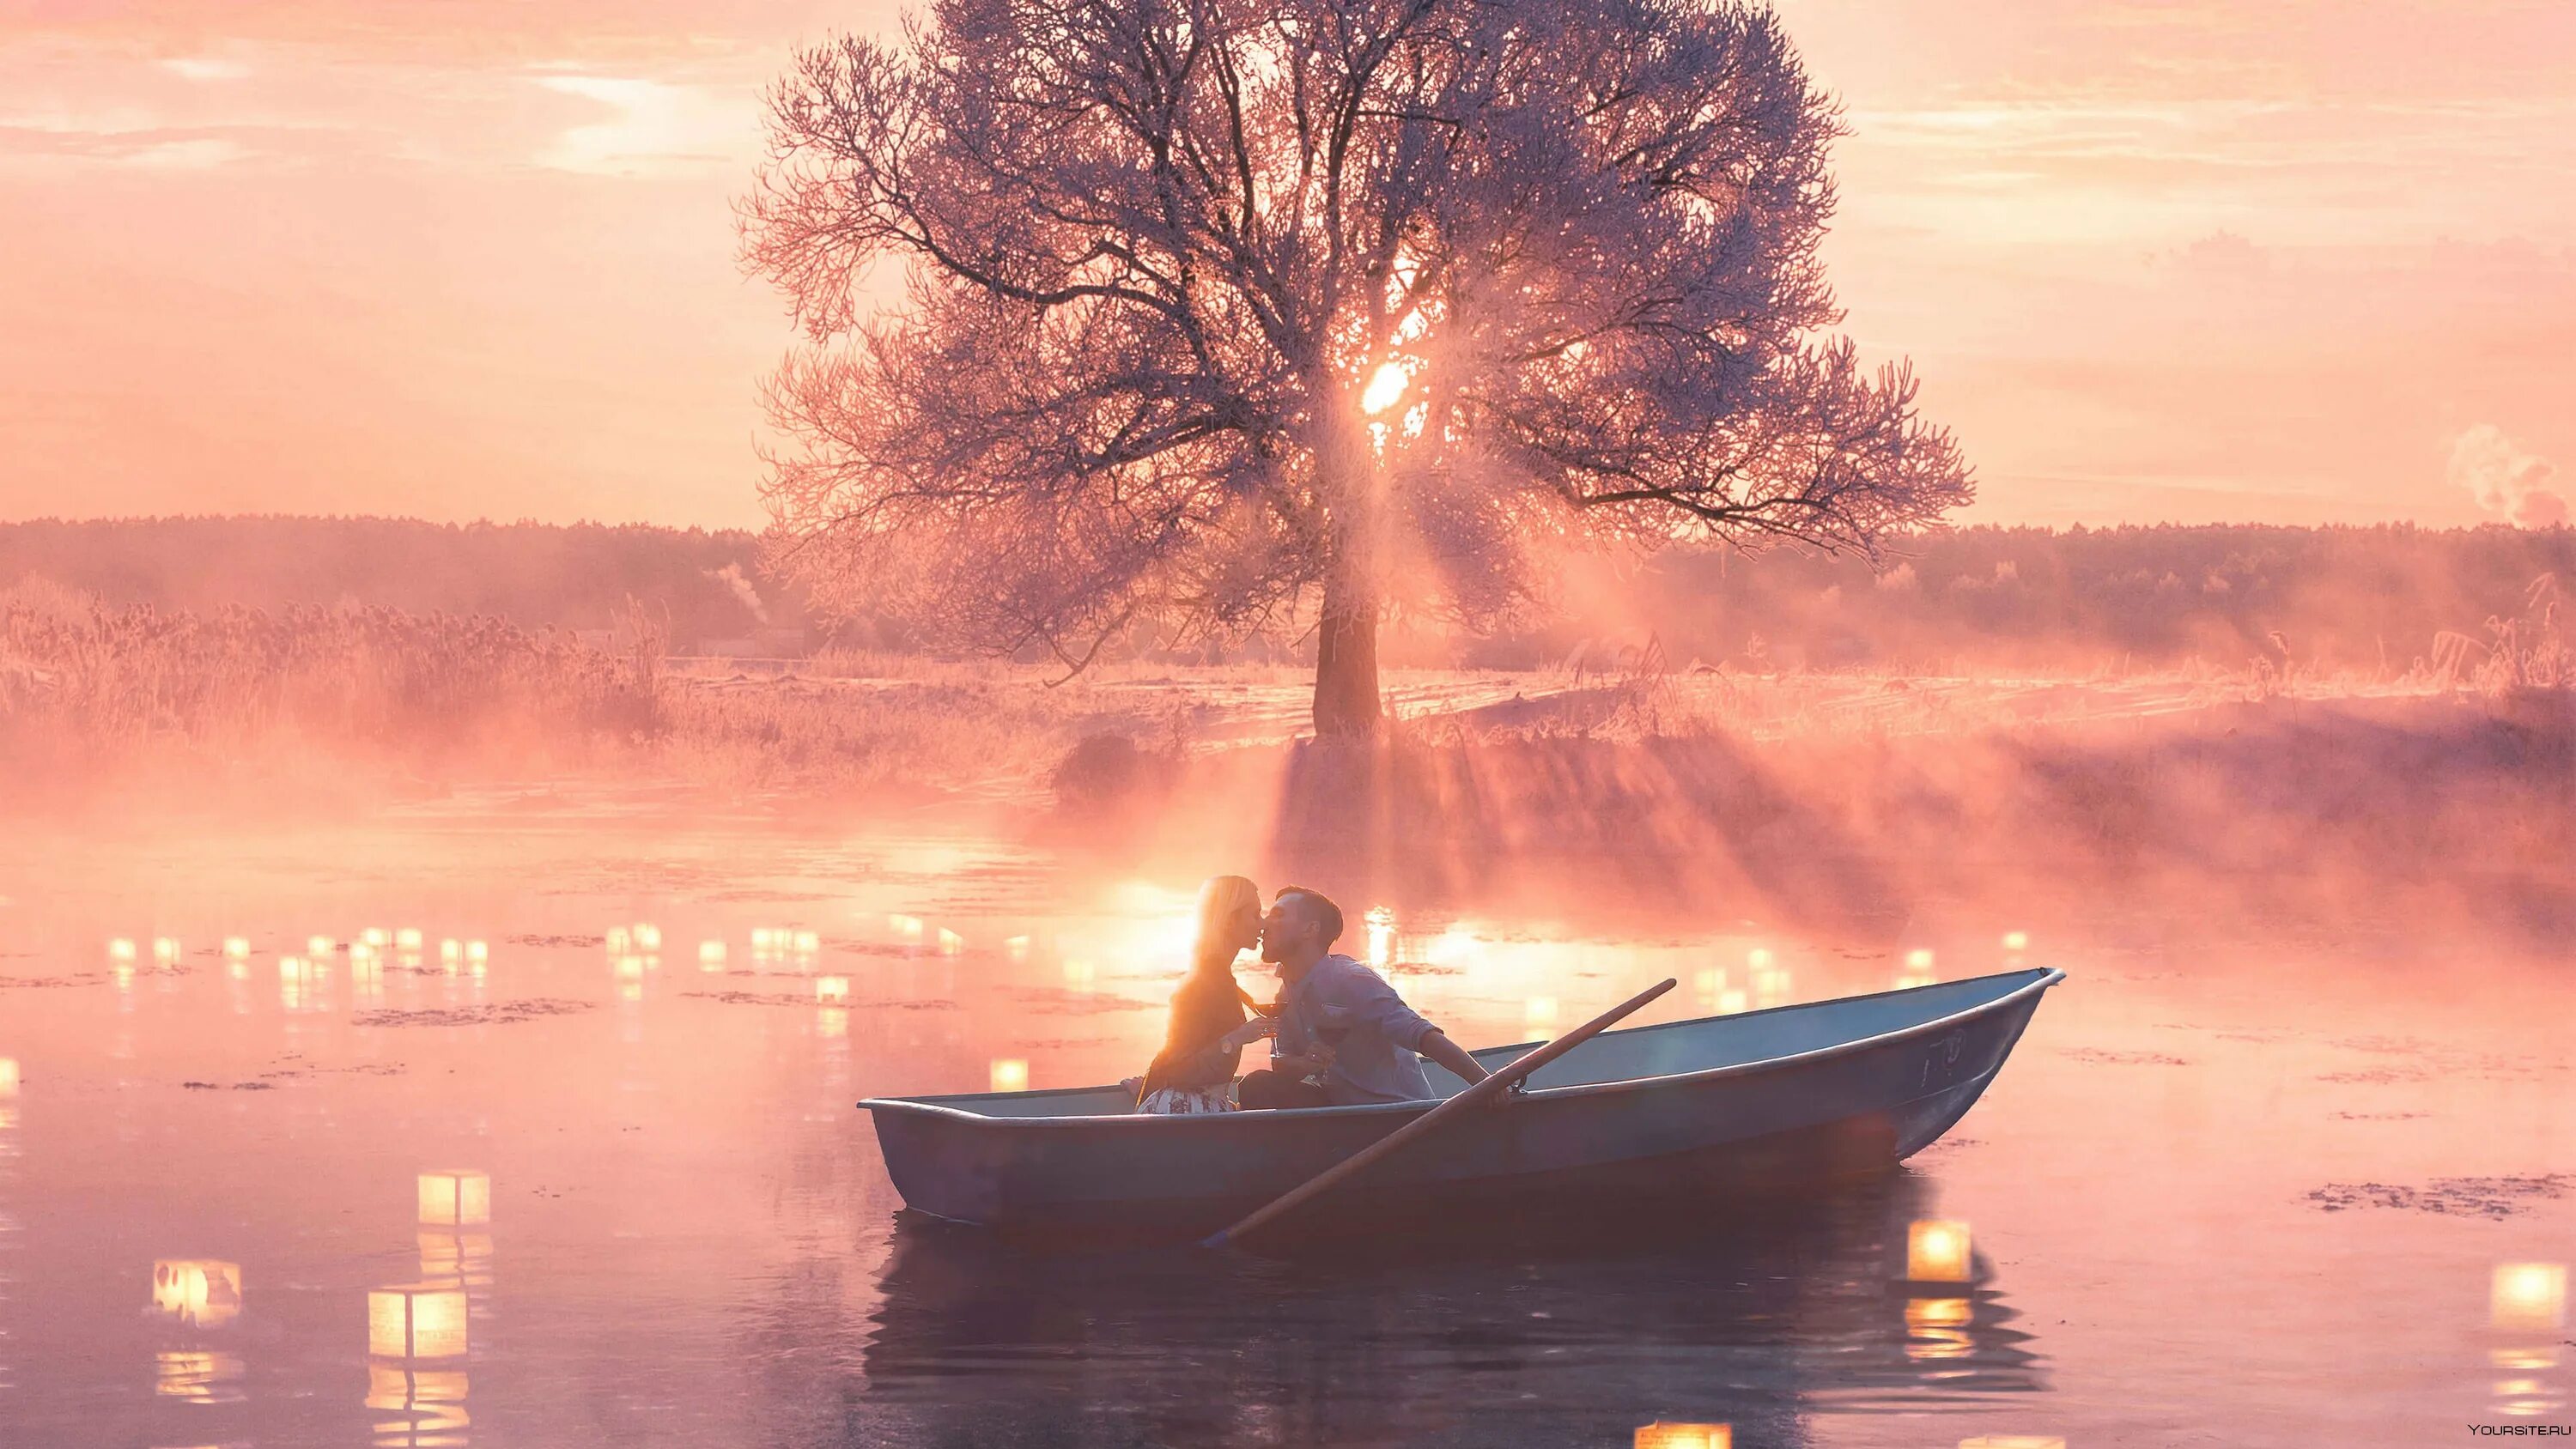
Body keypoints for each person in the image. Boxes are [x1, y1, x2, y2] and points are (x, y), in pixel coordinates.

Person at [1236, 886, 1492, 1109]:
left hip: (1393, 1113)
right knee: (1257, 1086)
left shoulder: (1352, 980)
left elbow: (1423, 1036)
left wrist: (1487, 1084)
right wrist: (1307, 1064)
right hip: (1339, 1110)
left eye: (1278, 915)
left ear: (1309, 930)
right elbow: (1282, 1065)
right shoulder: (1285, 993)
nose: (1265, 924)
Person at [1132, 876, 1276, 1114]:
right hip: (1188, 1110)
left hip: (1202, 1102)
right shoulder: (1204, 983)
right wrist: (1236, 1038)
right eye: (1255, 915)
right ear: (1230, 921)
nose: (1262, 924)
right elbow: (1177, 1069)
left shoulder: (1218, 977)